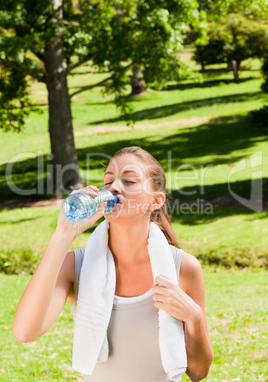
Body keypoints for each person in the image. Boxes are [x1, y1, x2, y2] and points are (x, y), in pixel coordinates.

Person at [13, 146, 213, 381]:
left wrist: (194, 318)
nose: (114, 188)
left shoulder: (183, 267)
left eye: (128, 181)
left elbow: (198, 372)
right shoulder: (77, 266)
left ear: (156, 201)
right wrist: (63, 234)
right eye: (108, 182)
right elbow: (25, 332)